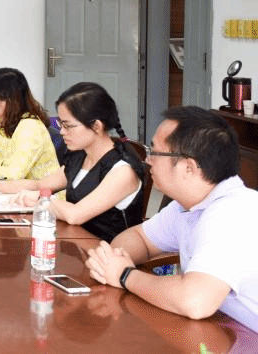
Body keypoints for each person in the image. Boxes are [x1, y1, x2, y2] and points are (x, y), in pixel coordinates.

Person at [85, 106, 258, 330]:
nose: (148, 160)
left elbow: (195, 301)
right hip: (220, 330)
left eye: (155, 152)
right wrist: (113, 260)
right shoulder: (186, 205)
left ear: (188, 167)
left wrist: (125, 275)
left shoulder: (233, 213)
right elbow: (139, 237)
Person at [0, 82, 146, 242]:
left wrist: (40, 200)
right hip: (74, 242)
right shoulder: (80, 156)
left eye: (68, 126)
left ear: (96, 126)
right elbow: (39, 185)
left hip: (106, 252)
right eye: (60, 124)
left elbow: (75, 214)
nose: (62, 132)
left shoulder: (122, 170)